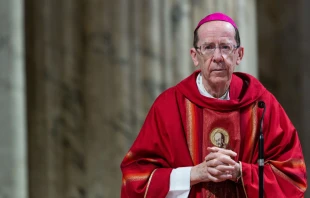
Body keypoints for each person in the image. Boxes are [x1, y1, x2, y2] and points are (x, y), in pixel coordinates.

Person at [120, 12, 307, 198]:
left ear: (239, 54)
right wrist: (194, 174)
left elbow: (293, 176)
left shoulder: (261, 105)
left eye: (225, 47)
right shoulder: (170, 106)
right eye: (208, 47)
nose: (217, 57)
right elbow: (135, 179)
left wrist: (240, 172)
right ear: (195, 56)